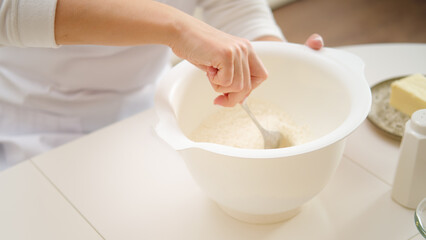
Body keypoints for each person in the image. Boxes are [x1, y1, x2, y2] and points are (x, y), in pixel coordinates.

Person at [0, 0, 323, 170]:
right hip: (27, 116)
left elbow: (234, 6)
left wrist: (277, 60)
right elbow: (11, 9)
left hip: (142, 108)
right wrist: (177, 26)